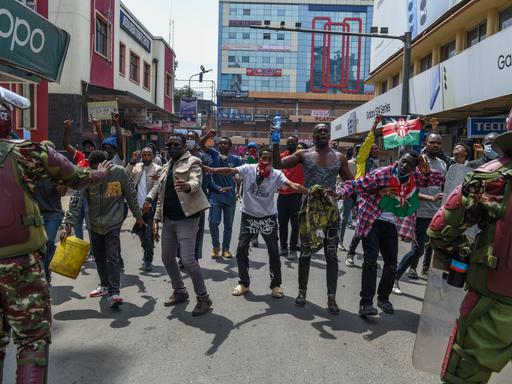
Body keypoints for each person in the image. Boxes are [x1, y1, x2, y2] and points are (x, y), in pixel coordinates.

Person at [0, 88, 108, 383]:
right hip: (19, 263)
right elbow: (76, 177)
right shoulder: (27, 152)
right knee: (32, 339)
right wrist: (102, 174)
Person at [427, 109, 512, 383]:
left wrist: (465, 254)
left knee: (464, 376)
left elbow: (440, 230)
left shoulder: (491, 177)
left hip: (493, 305)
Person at [337, 151, 445, 317]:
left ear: (414, 168)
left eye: (409, 164)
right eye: (403, 161)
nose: (404, 166)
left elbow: (437, 180)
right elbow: (357, 185)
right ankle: (365, 304)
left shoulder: (414, 177)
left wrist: (426, 170)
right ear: (398, 159)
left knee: (391, 263)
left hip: (391, 224)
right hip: (372, 219)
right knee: (370, 261)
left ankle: (383, 298)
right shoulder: (383, 173)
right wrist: (339, 194)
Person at [205, 147, 307, 298]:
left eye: (269, 159)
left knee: (273, 251)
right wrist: (212, 170)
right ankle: (244, 283)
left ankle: (276, 285)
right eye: (263, 158)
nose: (265, 161)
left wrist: (309, 191)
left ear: (272, 161)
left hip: (268, 218)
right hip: (249, 216)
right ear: (258, 158)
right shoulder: (248, 169)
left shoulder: (277, 174)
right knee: (241, 250)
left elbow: (292, 185)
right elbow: (230, 171)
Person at [273, 123, 353, 314]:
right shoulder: (304, 155)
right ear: (313, 136)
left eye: (325, 131)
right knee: (306, 254)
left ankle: (331, 298)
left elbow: (351, 183)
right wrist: (276, 142)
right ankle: (302, 293)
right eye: (319, 132)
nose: (323, 133)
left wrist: (340, 193)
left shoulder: (339, 157)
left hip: (331, 213)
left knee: (331, 256)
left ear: (329, 135)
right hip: (308, 213)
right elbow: (278, 164)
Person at [62, 150, 144, 308]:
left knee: (112, 256)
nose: (97, 173)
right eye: (93, 169)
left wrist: (138, 215)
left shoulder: (119, 173)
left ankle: (114, 292)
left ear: (106, 164)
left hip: (113, 222)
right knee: (99, 256)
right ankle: (104, 285)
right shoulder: (88, 175)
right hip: (94, 223)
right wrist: (68, 224)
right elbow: (76, 200)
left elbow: (130, 194)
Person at [153, 135, 212, 316]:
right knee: (167, 257)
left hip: (187, 218)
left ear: (184, 146)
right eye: (168, 144)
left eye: (175, 144)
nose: (171, 147)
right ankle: (180, 291)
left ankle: (203, 298)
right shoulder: (166, 164)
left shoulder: (193, 160)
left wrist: (187, 186)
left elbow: (196, 180)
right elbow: (161, 197)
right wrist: (156, 219)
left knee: (187, 260)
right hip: (169, 219)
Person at [393, 133, 448, 294]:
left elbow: (443, 187)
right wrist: (430, 198)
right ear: (426, 143)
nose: (435, 145)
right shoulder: (416, 163)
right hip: (419, 213)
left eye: (438, 143)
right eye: (432, 142)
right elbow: (410, 190)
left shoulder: (443, 164)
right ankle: (395, 278)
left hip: (437, 213)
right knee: (417, 249)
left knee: (435, 249)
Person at [184, 131, 230, 262]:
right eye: (187, 138)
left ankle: (194, 258)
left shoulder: (205, 158)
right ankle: (182, 257)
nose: (189, 140)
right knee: (181, 231)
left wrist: (218, 189)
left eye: (192, 138)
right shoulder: (180, 156)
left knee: (197, 231)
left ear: (197, 140)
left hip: (198, 201)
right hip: (181, 200)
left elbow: (209, 181)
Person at [199, 131, 243, 259]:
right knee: (213, 222)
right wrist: (208, 135)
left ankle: (226, 249)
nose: (222, 145)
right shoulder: (214, 154)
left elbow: (240, 177)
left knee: (228, 225)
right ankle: (215, 246)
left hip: (230, 197)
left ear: (230, 146)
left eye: (225, 143)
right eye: (221, 143)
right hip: (215, 195)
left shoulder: (237, 160)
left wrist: (238, 192)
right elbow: (201, 144)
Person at [345, 116, 382, 266]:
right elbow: (367, 143)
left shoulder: (378, 164)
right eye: (374, 148)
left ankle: (371, 257)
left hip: (377, 200)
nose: (377, 149)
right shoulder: (362, 160)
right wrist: (374, 125)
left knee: (374, 229)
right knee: (361, 228)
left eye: (378, 148)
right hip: (363, 198)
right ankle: (350, 254)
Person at [33, 140, 67, 282]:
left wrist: (58, 181)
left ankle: (46, 275)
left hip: (53, 214)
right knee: (36, 247)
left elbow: (63, 192)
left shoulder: (56, 171)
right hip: (35, 214)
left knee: (48, 243)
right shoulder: (32, 169)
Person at [126, 147, 162, 271]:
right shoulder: (137, 166)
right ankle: (147, 249)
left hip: (150, 206)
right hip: (137, 208)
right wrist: (131, 161)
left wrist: (148, 200)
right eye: (144, 155)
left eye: (149, 155)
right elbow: (126, 174)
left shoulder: (157, 169)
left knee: (149, 234)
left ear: (153, 156)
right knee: (141, 233)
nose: (146, 157)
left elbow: (156, 186)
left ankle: (148, 259)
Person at [277, 136, 305, 260]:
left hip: (296, 195)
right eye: (288, 142)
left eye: (293, 142)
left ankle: (293, 249)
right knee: (282, 223)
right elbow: (275, 168)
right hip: (282, 195)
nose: (290, 143)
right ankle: (283, 247)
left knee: (295, 224)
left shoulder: (302, 157)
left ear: (297, 143)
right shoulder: (282, 156)